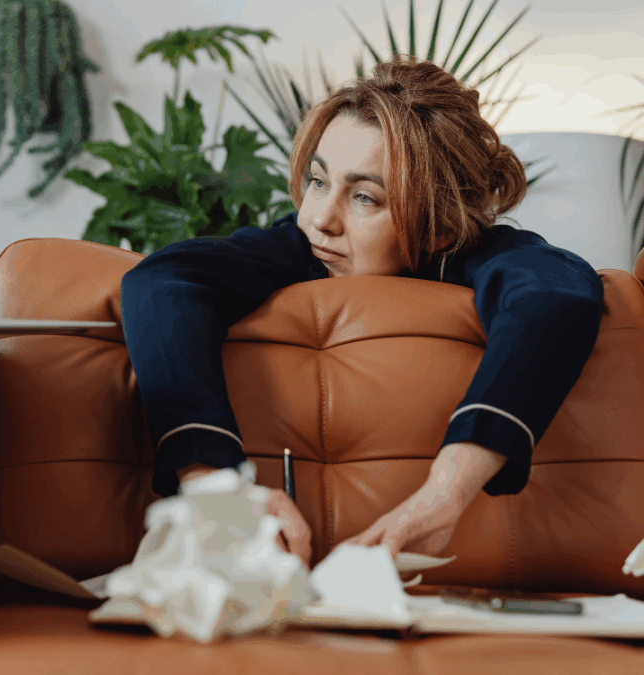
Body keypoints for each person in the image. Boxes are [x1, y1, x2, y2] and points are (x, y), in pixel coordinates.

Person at [118, 55, 604, 569]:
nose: (320, 219)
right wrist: (216, 493)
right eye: (319, 180)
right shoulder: (300, 245)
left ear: (439, 226)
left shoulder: (472, 253)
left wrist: (447, 490)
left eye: (365, 198)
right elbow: (162, 280)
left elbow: (557, 294)